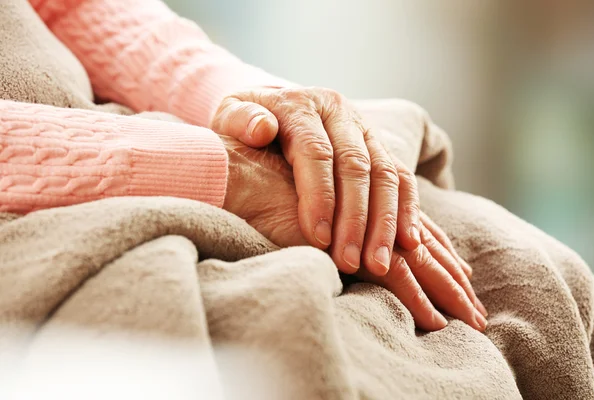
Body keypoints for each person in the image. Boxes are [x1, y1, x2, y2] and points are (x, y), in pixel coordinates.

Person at [0, 0, 487, 331]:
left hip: (131, 123)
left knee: (496, 256)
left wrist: (249, 108)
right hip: (55, 198)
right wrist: (209, 169)